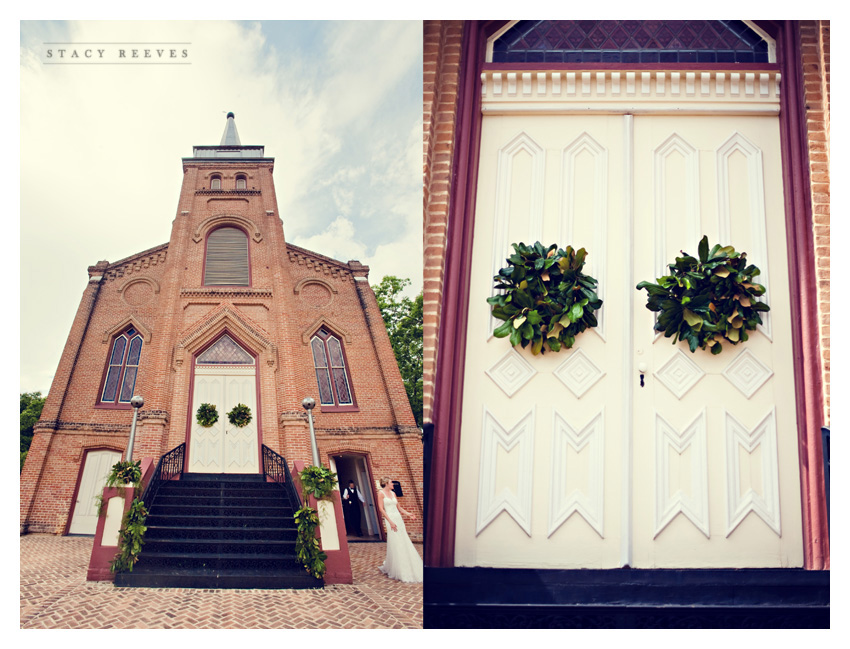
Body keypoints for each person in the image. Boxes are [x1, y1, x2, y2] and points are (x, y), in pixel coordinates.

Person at [376, 476, 422, 583]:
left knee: (404, 540)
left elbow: (399, 508)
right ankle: (399, 568)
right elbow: (381, 509)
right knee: (396, 542)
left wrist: (409, 514)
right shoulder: (381, 493)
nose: (393, 484)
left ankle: (408, 562)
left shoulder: (393, 493)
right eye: (391, 483)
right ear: (386, 483)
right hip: (390, 519)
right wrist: (390, 521)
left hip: (398, 519)